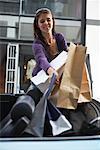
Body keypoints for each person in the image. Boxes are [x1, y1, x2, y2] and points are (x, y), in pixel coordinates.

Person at [26, 7, 68, 106]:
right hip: (41, 81)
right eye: (42, 21)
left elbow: (66, 56)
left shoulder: (59, 38)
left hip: (58, 79)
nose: (46, 23)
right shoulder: (37, 44)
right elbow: (41, 59)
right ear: (38, 25)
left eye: (48, 20)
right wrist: (51, 71)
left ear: (52, 21)